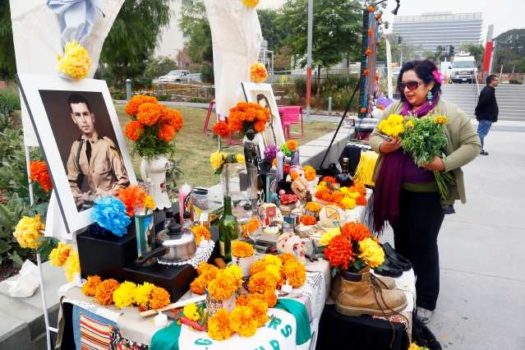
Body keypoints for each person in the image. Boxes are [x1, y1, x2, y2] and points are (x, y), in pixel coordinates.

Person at [369, 60, 480, 324]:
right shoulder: (396, 110)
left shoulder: (448, 113)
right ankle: (406, 289)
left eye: (413, 84)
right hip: (396, 191)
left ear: (430, 84)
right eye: (403, 85)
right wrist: (384, 148)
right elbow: (374, 135)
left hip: (429, 195)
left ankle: (427, 299)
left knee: (425, 245)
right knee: (402, 242)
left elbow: (472, 144)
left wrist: (443, 164)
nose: (407, 90)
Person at [66, 94, 129, 209]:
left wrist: (107, 194)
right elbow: (71, 181)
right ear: (73, 119)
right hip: (92, 207)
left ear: (92, 117)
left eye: (85, 114)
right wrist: (78, 197)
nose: (83, 120)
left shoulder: (106, 144)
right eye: (78, 115)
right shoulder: (76, 147)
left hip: (112, 206)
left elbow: (124, 180)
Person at [475, 74, 499, 155]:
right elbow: (481, 104)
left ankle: (477, 148)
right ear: (491, 81)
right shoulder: (487, 91)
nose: (497, 81)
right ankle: (478, 149)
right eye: (496, 80)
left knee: (481, 133)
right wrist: (478, 113)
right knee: (481, 133)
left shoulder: (489, 90)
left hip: (487, 117)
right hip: (486, 117)